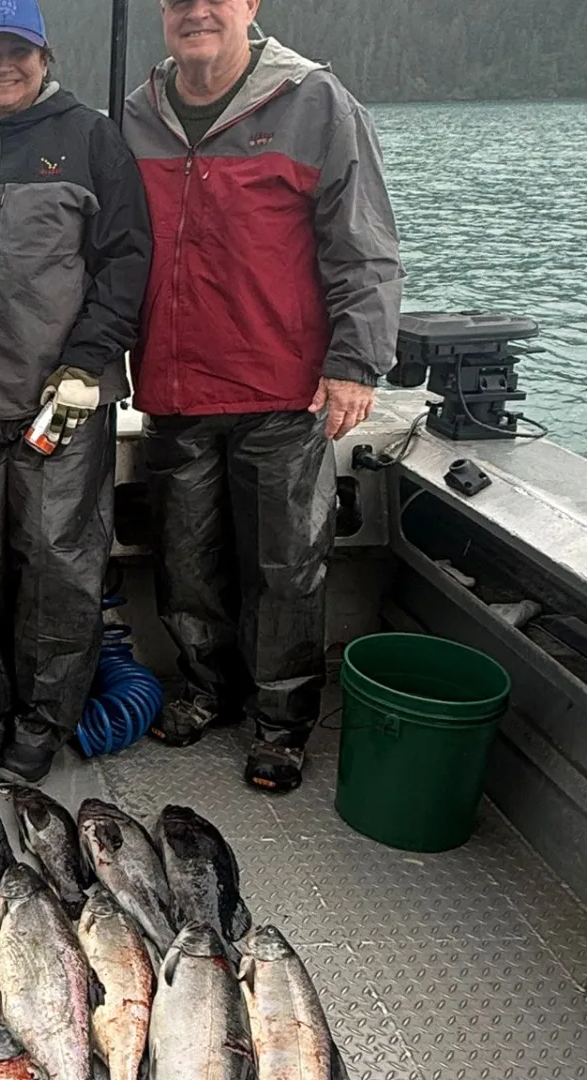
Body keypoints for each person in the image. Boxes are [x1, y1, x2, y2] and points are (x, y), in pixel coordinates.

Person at [123, 0, 403, 792]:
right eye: (178, 1)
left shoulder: (314, 100)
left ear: (250, 6)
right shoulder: (136, 113)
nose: (196, 12)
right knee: (184, 560)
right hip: (174, 386)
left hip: (282, 387)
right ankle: (210, 689)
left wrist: (356, 360)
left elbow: (365, 245)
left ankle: (281, 722)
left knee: (285, 565)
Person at [0, 0, 152, 784]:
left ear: (44, 58)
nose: (2, 65)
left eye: (18, 51)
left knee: (56, 565)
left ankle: (45, 720)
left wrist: (86, 362)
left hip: (61, 400)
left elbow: (125, 261)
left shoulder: (90, 140)